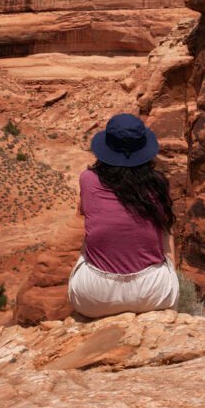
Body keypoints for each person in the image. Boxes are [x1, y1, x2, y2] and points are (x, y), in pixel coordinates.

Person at [68, 113, 179, 319]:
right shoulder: (158, 184)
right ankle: (167, 279)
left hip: (94, 297)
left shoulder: (87, 179)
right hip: (153, 294)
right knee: (165, 228)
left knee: (88, 238)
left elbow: (87, 214)